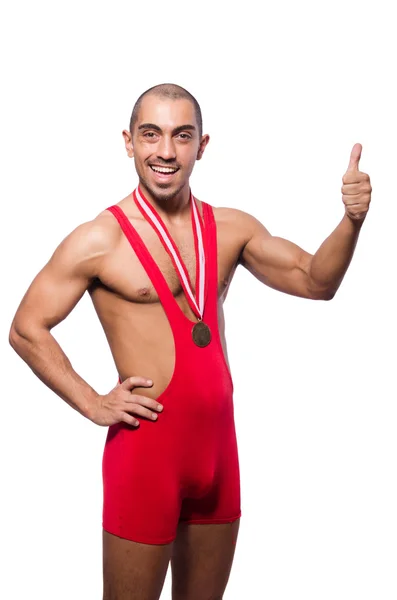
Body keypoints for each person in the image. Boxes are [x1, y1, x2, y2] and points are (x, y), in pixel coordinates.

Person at [9, 83, 372, 600]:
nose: (165, 151)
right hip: (147, 454)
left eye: (182, 136)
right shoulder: (99, 239)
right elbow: (26, 327)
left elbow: (317, 281)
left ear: (201, 146)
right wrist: (91, 401)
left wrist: (351, 221)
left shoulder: (229, 228)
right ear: (129, 142)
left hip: (218, 453)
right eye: (150, 134)